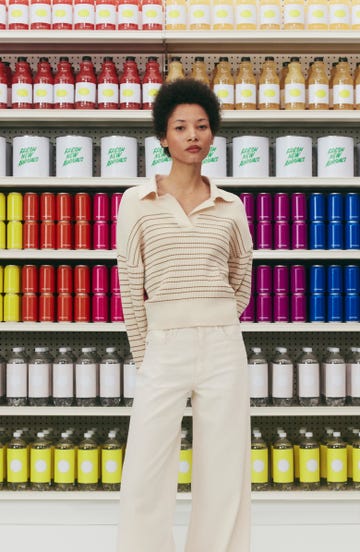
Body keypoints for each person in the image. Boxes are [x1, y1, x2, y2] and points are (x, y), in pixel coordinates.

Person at [116, 78, 253, 552]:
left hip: (223, 344)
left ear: (212, 134)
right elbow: (131, 281)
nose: (192, 134)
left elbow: (242, 275)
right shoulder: (136, 203)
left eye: (201, 125)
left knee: (223, 467)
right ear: (163, 138)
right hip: (162, 343)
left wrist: (216, 319)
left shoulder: (232, 207)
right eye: (180, 126)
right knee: (145, 470)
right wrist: (145, 352)